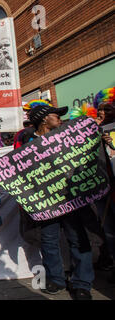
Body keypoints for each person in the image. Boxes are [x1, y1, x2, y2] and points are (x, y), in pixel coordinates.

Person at [0, 104, 95, 300]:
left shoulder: (67, 137)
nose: (60, 119)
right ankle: (56, 279)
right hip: (46, 203)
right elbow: (14, 166)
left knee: (78, 239)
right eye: (56, 115)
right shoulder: (28, 144)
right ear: (44, 119)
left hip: (71, 199)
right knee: (49, 241)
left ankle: (82, 284)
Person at [93, 87, 115, 282]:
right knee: (108, 229)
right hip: (102, 188)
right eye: (99, 110)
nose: (102, 113)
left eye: (107, 109)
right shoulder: (94, 131)